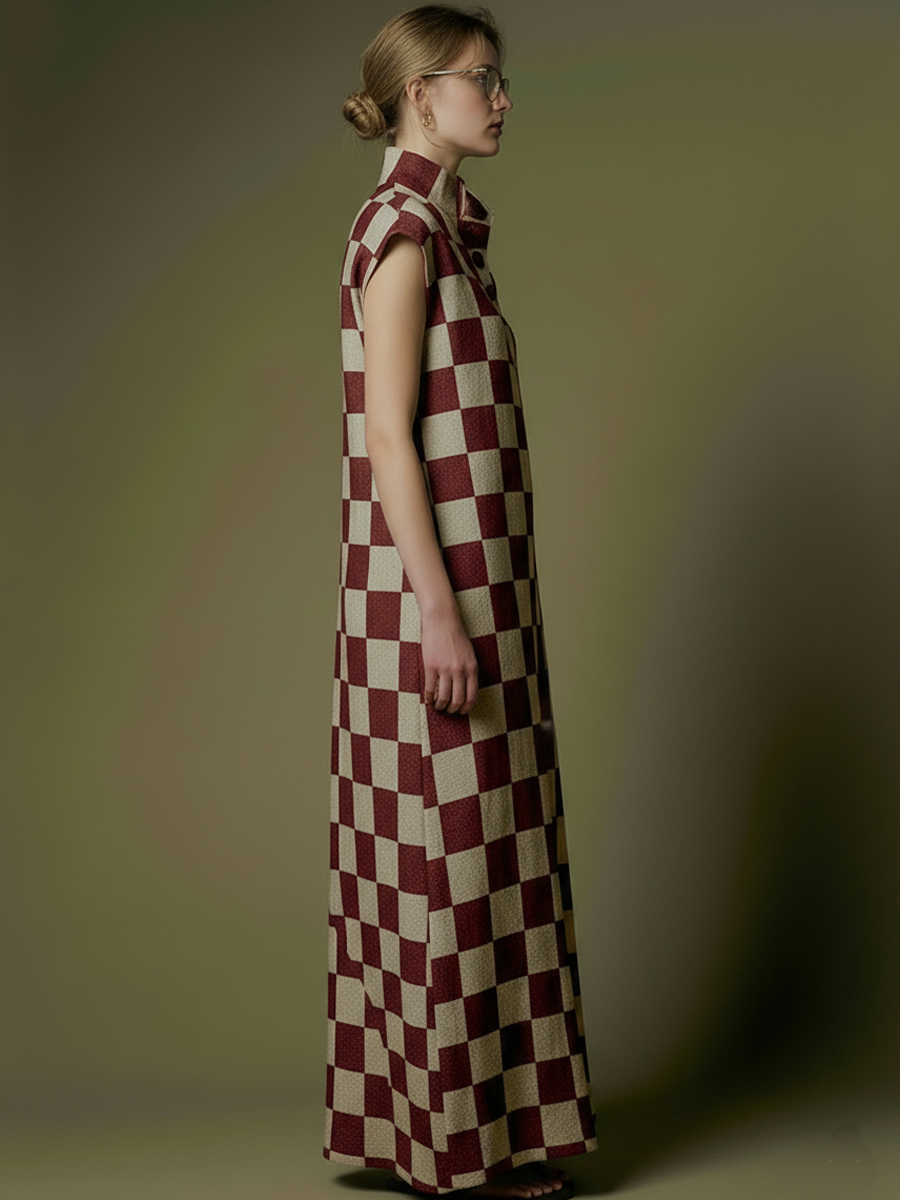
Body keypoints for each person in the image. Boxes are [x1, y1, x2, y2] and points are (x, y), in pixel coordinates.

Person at [324, 6, 596, 1197]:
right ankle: (461, 1152)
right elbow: (388, 435)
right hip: (435, 598)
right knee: (455, 866)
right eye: (484, 78)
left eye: (499, 77)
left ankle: (471, 1136)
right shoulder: (401, 233)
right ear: (422, 93)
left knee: (489, 856)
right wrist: (439, 610)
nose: (502, 98)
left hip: (477, 589)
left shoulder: (440, 227)